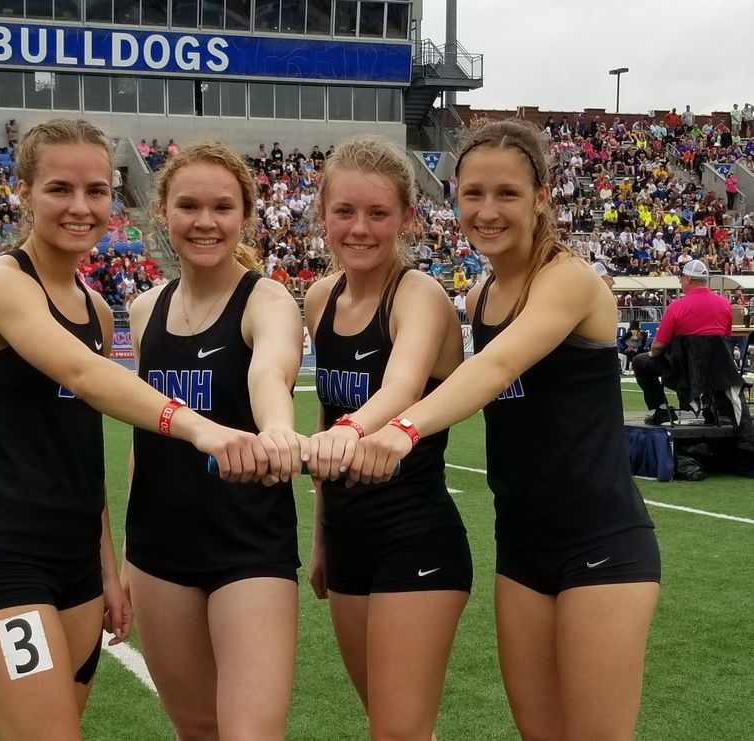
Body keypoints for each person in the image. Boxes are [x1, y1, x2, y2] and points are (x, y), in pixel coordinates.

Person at [0, 119, 271, 741]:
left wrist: (104, 568)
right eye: (59, 189)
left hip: (74, 573)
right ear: (24, 194)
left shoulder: (93, 306)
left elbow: (81, 451)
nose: (80, 206)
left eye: (96, 191)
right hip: (5, 566)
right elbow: (82, 373)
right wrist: (199, 428)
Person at [347, 119, 660, 741]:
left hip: (602, 544)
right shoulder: (480, 296)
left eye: (507, 194)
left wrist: (402, 430)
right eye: (472, 194)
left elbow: (496, 366)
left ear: (542, 197)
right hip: (521, 551)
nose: (487, 211)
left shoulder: (568, 279)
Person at [123, 142, 304, 740]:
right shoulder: (145, 309)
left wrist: (277, 429)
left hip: (247, 547)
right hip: (158, 550)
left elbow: (269, 373)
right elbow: (143, 430)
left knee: (249, 733)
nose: (206, 221)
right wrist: (127, 553)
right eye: (189, 206)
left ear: (245, 215)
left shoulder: (268, 300)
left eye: (223, 207)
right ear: (163, 215)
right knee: (195, 728)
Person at [304, 136, 470, 740]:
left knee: (398, 733)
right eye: (344, 211)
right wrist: (321, 538)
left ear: (406, 217)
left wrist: (349, 430)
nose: (359, 228)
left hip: (415, 539)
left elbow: (401, 386)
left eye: (378, 213)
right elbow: (325, 414)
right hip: (349, 540)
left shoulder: (418, 294)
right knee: (389, 723)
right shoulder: (321, 299)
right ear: (322, 215)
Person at [632, 259, 732, 424]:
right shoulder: (724, 304)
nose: (680, 282)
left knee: (638, 361)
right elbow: (724, 337)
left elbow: (659, 345)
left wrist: (652, 352)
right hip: (714, 368)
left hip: (681, 370)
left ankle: (662, 410)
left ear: (688, 279)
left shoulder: (676, 307)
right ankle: (710, 406)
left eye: (681, 278)